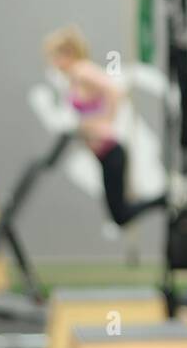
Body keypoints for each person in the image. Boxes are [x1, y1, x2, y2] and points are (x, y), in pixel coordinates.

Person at [43, 25, 166, 227]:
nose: (53, 63)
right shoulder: (73, 78)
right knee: (118, 212)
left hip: (111, 151)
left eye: (55, 56)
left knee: (120, 215)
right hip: (103, 153)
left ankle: (164, 199)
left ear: (68, 53)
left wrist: (104, 122)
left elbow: (114, 90)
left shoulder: (81, 71)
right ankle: (163, 199)